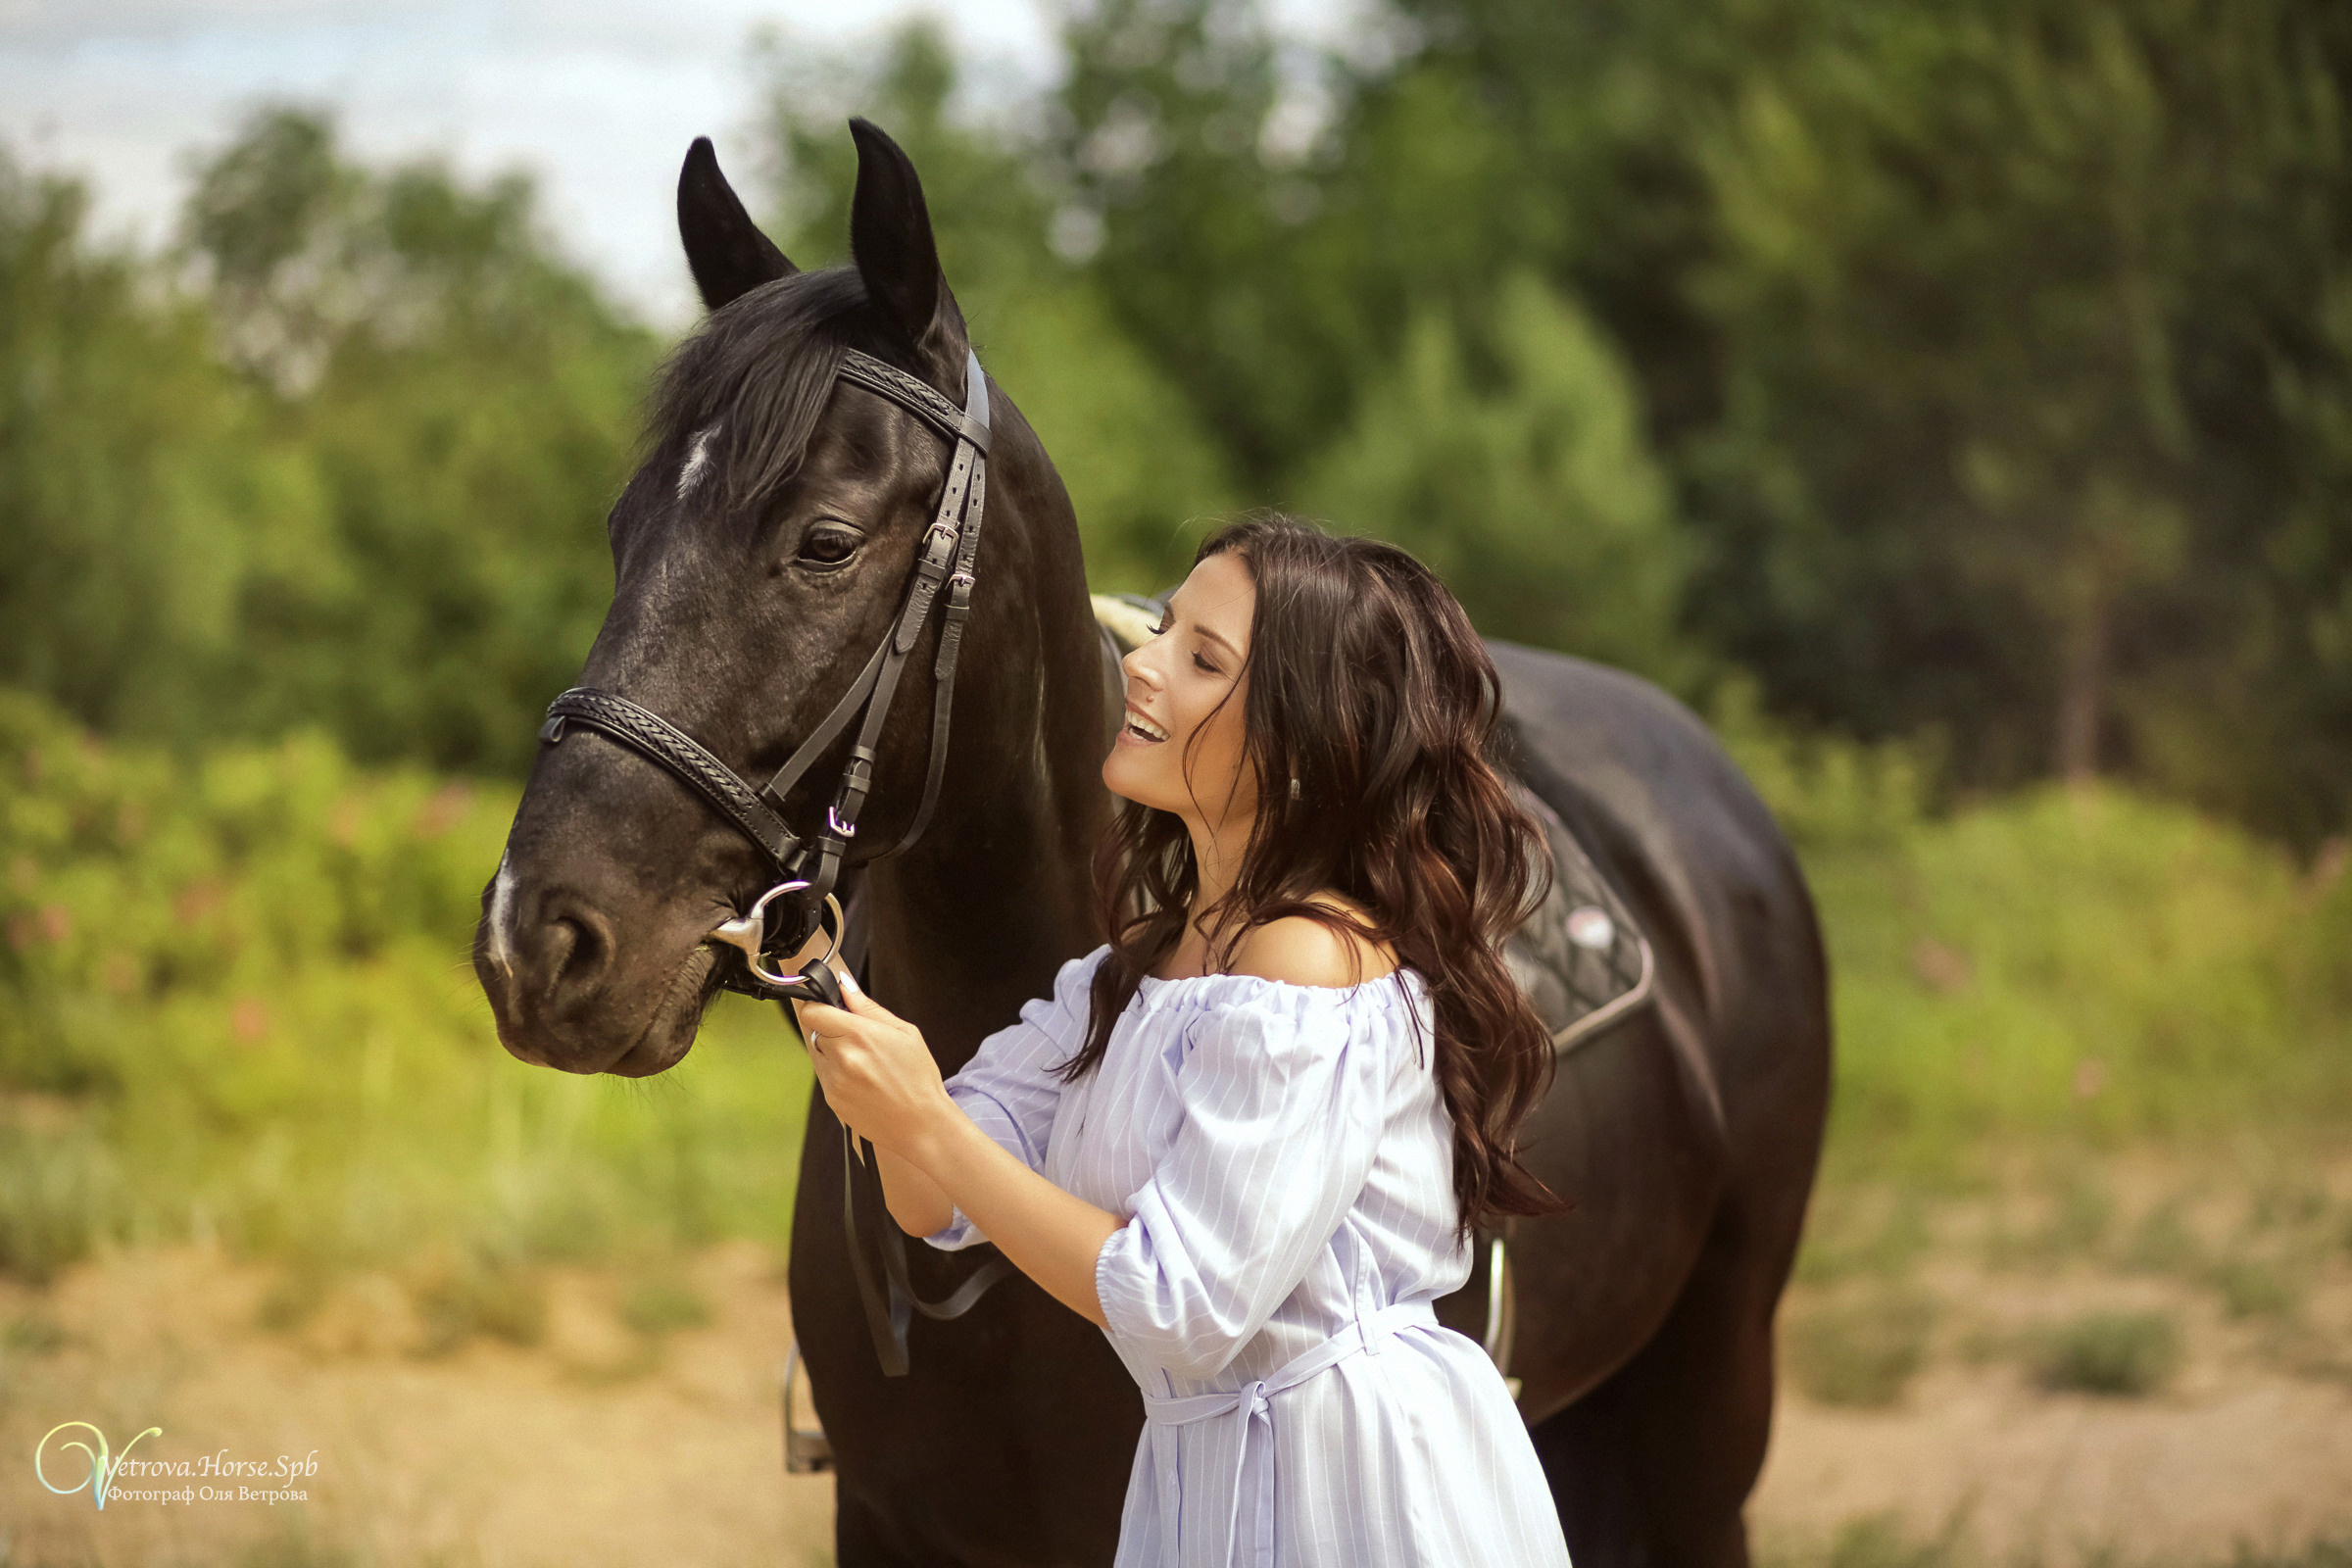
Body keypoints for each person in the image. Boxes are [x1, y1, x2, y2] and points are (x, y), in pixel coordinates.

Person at [788, 514, 1575, 1567]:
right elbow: (928, 1195)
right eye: (1161, 630)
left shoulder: (1311, 966)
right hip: (1205, 1471)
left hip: (1351, 1488)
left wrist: (924, 1113)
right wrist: (832, 995)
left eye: (1201, 658)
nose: (1140, 665)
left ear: (1301, 742)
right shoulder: (1126, 976)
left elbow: (1180, 1303)